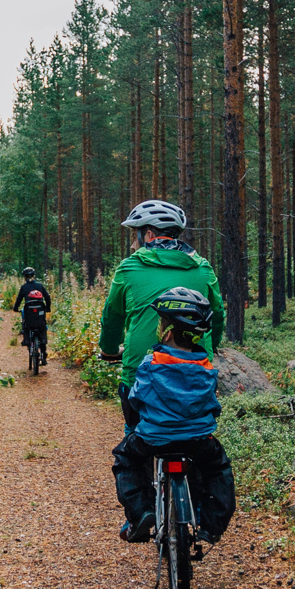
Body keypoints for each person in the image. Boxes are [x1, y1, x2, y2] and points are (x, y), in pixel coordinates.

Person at [97, 202, 235, 544]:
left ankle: (140, 512)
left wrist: (109, 350)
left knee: (136, 434)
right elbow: (217, 314)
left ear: (148, 234)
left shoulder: (130, 267)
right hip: (195, 368)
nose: (133, 243)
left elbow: (112, 317)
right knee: (197, 436)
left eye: (135, 236)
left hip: (139, 369)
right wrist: (211, 348)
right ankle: (200, 510)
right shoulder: (202, 268)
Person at [8, 267, 51, 367]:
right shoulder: (40, 285)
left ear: (24, 277)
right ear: (33, 275)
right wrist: (48, 308)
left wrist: (15, 308)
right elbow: (47, 297)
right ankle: (43, 352)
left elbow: (19, 299)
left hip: (29, 314)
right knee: (42, 327)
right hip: (40, 314)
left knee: (26, 325)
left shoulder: (24, 287)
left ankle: (26, 340)